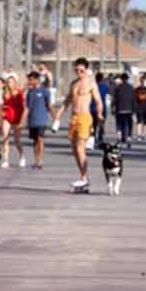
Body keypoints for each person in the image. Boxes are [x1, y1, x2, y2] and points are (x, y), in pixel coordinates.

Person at [64, 57, 103, 191]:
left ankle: (84, 178)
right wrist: (57, 117)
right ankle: (83, 178)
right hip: (73, 118)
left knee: (81, 149)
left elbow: (98, 101)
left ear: (86, 70)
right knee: (75, 151)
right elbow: (66, 101)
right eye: (76, 70)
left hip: (85, 118)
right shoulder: (73, 84)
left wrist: (99, 113)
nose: (78, 72)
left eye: (81, 70)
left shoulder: (91, 83)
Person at [25, 71, 52, 169]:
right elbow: (27, 108)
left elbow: (49, 105)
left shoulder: (45, 91)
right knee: (35, 141)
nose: (29, 82)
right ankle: (36, 160)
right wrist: (22, 120)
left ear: (37, 79)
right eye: (29, 80)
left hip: (42, 120)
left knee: (40, 139)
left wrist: (55, 117)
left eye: (31, 80)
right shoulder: (30, 92)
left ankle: (40, 160)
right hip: (32, 121)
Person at [0, 74, 27, 168]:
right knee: (5, 138)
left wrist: (22, 120)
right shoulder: (4, 94)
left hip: (17, 118)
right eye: (8, 82)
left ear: (15, 83)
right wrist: (2, 112)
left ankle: (22, 156)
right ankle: (6, 160)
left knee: (17, 140)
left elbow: (24, 107)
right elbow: (1, 106)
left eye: (11, 82)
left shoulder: (19, 93)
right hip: (7, 117)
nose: (9, 83)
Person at [112, 72, 137, 145]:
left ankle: (119, 136)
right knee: (129, 124)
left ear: (121, 79)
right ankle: (129, 137)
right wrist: (134, 110)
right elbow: (134, 99)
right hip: (129, 109)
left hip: (119, 109)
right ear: (127, 79)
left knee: (119, 123)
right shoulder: (131, 88)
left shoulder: (117, 88)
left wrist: (113, 108)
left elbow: (114, 99)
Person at [91, 67, 110, 146]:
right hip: (102, 109)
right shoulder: (105, 87)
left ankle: (93, 138)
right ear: (102, 79)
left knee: (93, 124)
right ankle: (100, 139)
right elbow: (107, 98)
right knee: (102, 125)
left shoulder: (92, 86)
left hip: (92, 108)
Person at [133, 76, 146, 141]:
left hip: (139, 107)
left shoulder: (137, 89)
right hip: (145, 107)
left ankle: (140, 135)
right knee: (145, 122)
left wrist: (134, 107)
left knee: (139, 121)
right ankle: (142, 135)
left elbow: (134, 99)